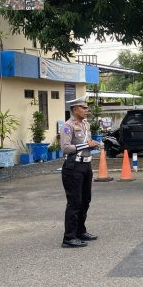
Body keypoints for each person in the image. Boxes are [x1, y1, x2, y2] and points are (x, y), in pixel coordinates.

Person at [59, 96, 100, 248]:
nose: (86, 110)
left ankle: (80, 231)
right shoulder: (67, 126)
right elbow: (65, 148)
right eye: (83, 108)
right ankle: (69, 237)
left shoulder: (85, 124)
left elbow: (85, 144)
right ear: (75, 109)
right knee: (74, 202)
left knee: (85, 200)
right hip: (73, 167)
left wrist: (93, 145)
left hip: (86, 166)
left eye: (86, 107)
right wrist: (85, 145)